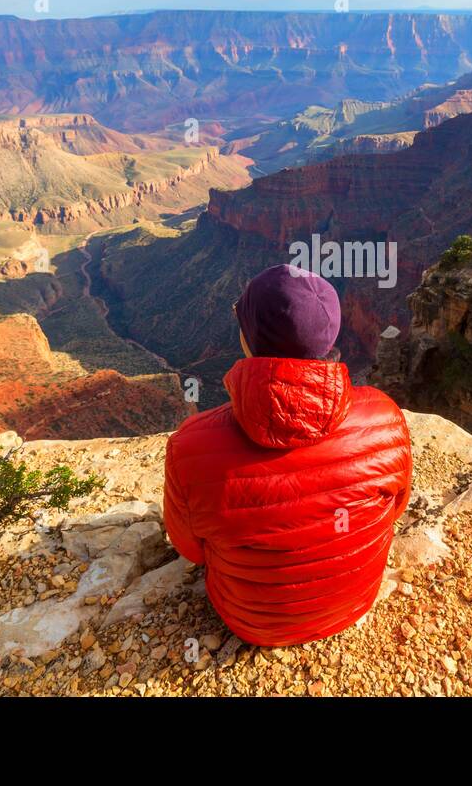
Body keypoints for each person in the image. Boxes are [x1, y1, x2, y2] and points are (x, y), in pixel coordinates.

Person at [164, 264, 413, 647]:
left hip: (252, 622)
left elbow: (191, 550)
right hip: (355, 603)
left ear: (249, 340)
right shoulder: (385, 420)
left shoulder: (190, 447)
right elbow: (393, 510)